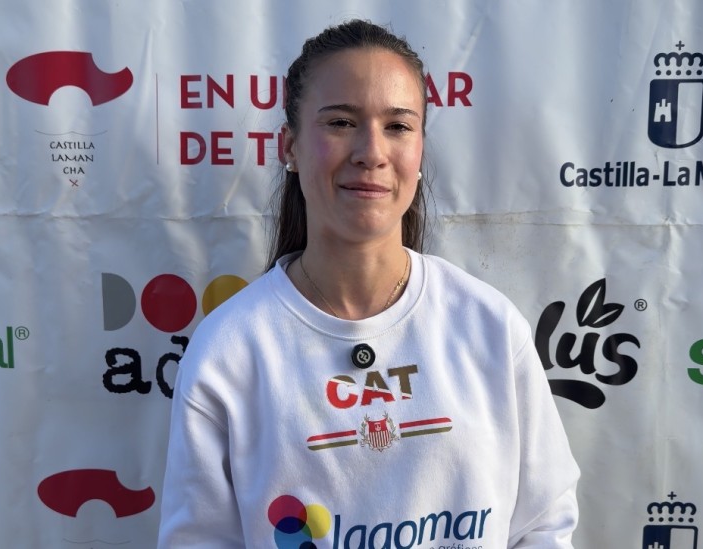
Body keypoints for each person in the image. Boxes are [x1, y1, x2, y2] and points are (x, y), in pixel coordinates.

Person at [158, 19, 580, 549]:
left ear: (420, 150)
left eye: (398, 126)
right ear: (289, 146)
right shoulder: (229, 351)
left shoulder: (488, 325)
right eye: (340, 122)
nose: (371, 152)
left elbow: (543, 523)